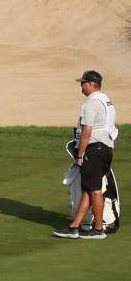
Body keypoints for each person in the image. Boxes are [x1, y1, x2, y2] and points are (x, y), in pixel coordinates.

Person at [57, 70, 118, 239]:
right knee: (88, 189)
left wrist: (79, 155)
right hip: (105, 147)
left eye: (83, 83)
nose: (81, 87)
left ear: (91, 84)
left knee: (95, 191)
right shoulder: (106, 100)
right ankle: (74, 227)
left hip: (95, 148)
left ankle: (98, 229)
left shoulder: (91, 103)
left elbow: (86, 131)